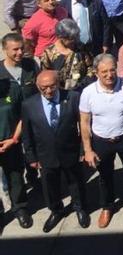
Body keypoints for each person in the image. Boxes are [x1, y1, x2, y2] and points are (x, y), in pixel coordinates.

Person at [79, 54, 123, 228]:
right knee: (105, 176)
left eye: (112, 70)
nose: (109, 75)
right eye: (104, 72)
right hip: (101, 141)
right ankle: (107, 206)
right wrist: (87, 150)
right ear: (96, 73)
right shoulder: (88, 93)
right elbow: (84, 123)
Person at [20, 70, 89, 232]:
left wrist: (83, 150)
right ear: (38, 86)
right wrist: (31, 156)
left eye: (52, 86)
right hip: (45, 154)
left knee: (76, 182)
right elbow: (27, 134)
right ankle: (56, 210)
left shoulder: (72, 98)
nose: (49, 91)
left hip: (70, 151)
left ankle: (80, 208)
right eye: (44, 88)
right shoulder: (29, 105)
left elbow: (83, 125)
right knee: (50, 186)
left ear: (58, 84)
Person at [0, 36, 30, 229]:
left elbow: (22, 114)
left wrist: (14, 139)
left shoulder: (10, 86)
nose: (19, 53)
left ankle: (20, 207)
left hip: (11, 140)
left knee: (15, 176)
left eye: (21, 49)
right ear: (4, 50)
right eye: (14, 50)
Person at [39, 18, 94, 94]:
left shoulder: (81, 48)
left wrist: (83, 83)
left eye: (76, 37)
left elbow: (91, 68)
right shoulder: (49, 53)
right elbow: (45, 74)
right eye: (71, 39)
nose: (74, 41)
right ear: (61, 38)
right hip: (59, 92)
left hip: (81, 90)